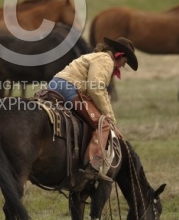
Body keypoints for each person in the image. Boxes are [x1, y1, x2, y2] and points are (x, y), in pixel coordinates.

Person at [48, 36, 138, 183]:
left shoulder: (96, 57)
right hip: (69, 89)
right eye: (125, 62)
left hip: (55, 85)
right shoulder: (106, 60)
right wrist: (110, 118)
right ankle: (93, 166)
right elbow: (96, 88)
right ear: (119, 55)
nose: (122, 66)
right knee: (103, 124)